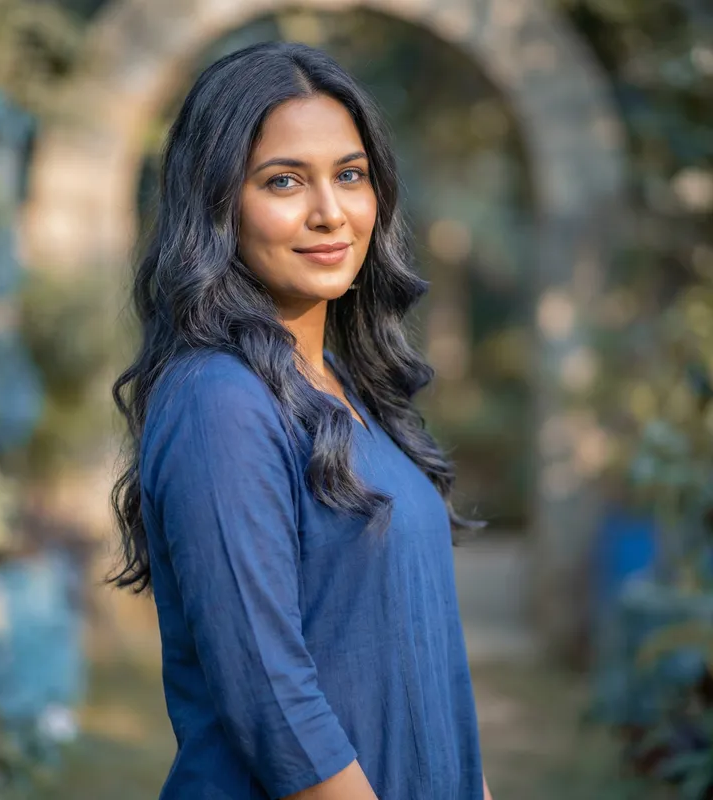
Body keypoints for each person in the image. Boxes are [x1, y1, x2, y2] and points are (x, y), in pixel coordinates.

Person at [110, 41, 493, 800]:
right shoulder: (218, 399)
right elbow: (272, 700)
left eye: (350, 175)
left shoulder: (349, 389)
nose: (329, 213)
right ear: (217, 202)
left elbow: (430, 660)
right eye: (284, 181)